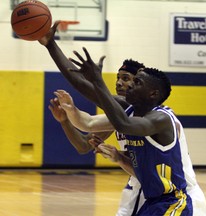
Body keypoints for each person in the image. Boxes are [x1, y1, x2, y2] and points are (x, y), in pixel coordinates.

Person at [54, 47, 206, 215]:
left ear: (151, 92)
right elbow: (87, 124)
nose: (121, 84)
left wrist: (97, 80)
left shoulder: (157, 118)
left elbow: (118, 120)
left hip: (177, 194)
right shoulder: (129, 114)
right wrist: (68, 116)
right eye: (118, 78)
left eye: (130, 80)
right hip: (149, 190)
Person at [39, 22, 146, 215]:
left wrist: (51, 45)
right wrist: (65, 120)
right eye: (118, 78)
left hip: (164, 188)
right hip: (138, 185)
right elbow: (83, 145)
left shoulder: (134, 107)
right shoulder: (121, 115)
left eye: (126, 78)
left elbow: (81, 84)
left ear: (140, 84)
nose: (120, 83)